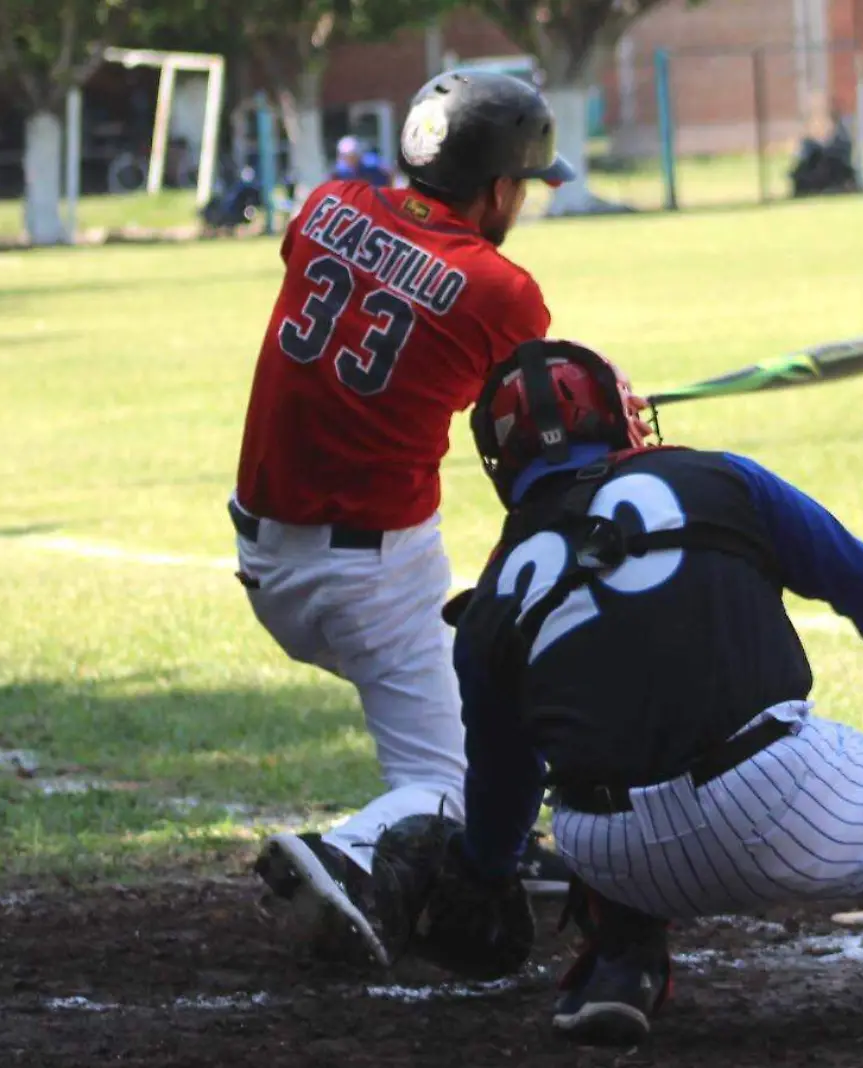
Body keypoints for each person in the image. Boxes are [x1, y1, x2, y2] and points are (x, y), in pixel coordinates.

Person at [382, 340, 863, 1045]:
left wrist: (483, 870)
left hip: (610, 854)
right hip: (777, 803)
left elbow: (504, 777)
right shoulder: (718, 478)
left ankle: (617, 971)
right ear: (618, 417)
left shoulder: (492, 593)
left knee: (581, 788)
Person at [235, 69, 577, 966]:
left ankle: (492, 857)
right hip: (370, 576)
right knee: (460, 782)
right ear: (497, 187)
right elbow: (535, 422)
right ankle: (343, 856)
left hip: (267, 556)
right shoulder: (499, 288)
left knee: (458, 725)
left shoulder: (325, 206)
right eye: (525, 188)